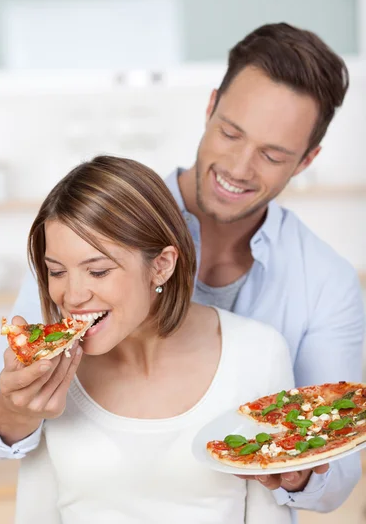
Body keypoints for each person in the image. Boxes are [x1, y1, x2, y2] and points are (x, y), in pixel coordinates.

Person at [0, 23, 364, 518]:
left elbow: (339, 464)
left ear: (307, 160)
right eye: (230, 132)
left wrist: (296, 470)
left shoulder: (324, 287)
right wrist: (15, 410)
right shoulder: (96, 230)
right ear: (210, 106)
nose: (239, 167)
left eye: (272, 154)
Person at [16, 155, 293, 523]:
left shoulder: (258, 352)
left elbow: (269, 514)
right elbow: (34, 512)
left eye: (97, 271)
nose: (72, 295)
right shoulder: (48, 369)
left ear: (161, 265)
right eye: (57, 272)